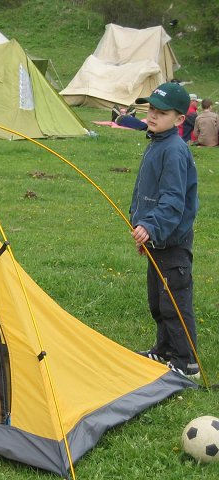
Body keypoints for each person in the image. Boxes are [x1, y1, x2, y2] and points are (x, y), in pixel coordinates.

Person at [130, 82, 199, 380]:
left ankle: (186, 362)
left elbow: (172, 200)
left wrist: (151, 226)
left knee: (175, 302)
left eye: (161, 112)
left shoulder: (174, 150)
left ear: (180, 119)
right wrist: (145, 231)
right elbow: (148, 193)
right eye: (151, 110)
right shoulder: (158, 143)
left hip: (173, 243)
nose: (152, 116)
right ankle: (164, 349)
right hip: (159, 240)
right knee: (158, 301)